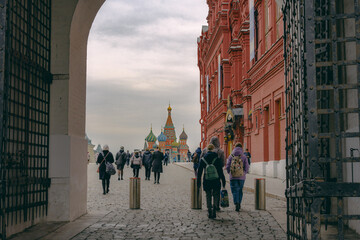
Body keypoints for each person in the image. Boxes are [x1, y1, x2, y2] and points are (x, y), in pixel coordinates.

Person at [197, 144, 226, 219]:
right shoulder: (217, 158)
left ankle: (209, 209)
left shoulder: (203, 159)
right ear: (213, 149)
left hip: (207, 180)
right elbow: (220, 171)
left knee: (208, 195)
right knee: (216, 194)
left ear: (207, 150)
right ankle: (215, 209)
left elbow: (199, 171)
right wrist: (223, 180)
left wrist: (198, 182)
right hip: (216, 180)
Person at [226, 142, 249, 211]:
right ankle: (239, 202)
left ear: (234, 147)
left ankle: (236, 203)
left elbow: (227, 165)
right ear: (241, 148)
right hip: (241, 177)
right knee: (240, 190)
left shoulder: (231, 156)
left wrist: (229, 172)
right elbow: (247, 167)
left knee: (234, 190)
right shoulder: (244, 156)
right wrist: (244, 173)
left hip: (233, 176)